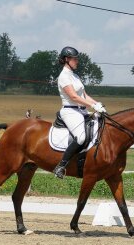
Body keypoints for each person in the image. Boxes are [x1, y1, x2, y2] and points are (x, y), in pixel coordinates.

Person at [53, 46, 106, 179]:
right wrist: (92, 106)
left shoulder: (75, 76)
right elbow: (74, 97)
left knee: (100, 126)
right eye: (74, 59)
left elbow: (84, 95)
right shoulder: (64, 76)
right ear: (66, 59)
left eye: (77, 59)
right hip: (70, 111)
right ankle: (61, 165)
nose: (77, 61)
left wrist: (97, 104)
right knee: (81, 137)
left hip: (81, 110)